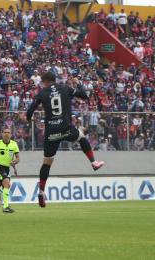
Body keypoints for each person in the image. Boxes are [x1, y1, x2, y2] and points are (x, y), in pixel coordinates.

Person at [24, 72, 105, 208]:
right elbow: (84, 96)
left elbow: (30, 109)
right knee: (81, 137)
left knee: (47, 162)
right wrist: (77, 83)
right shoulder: (65, 88)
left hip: (51, 132)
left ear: (44, 81)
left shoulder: (42, 93)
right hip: (65, 127)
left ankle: (41, 191)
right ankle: (94, 163)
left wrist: (29, 119)